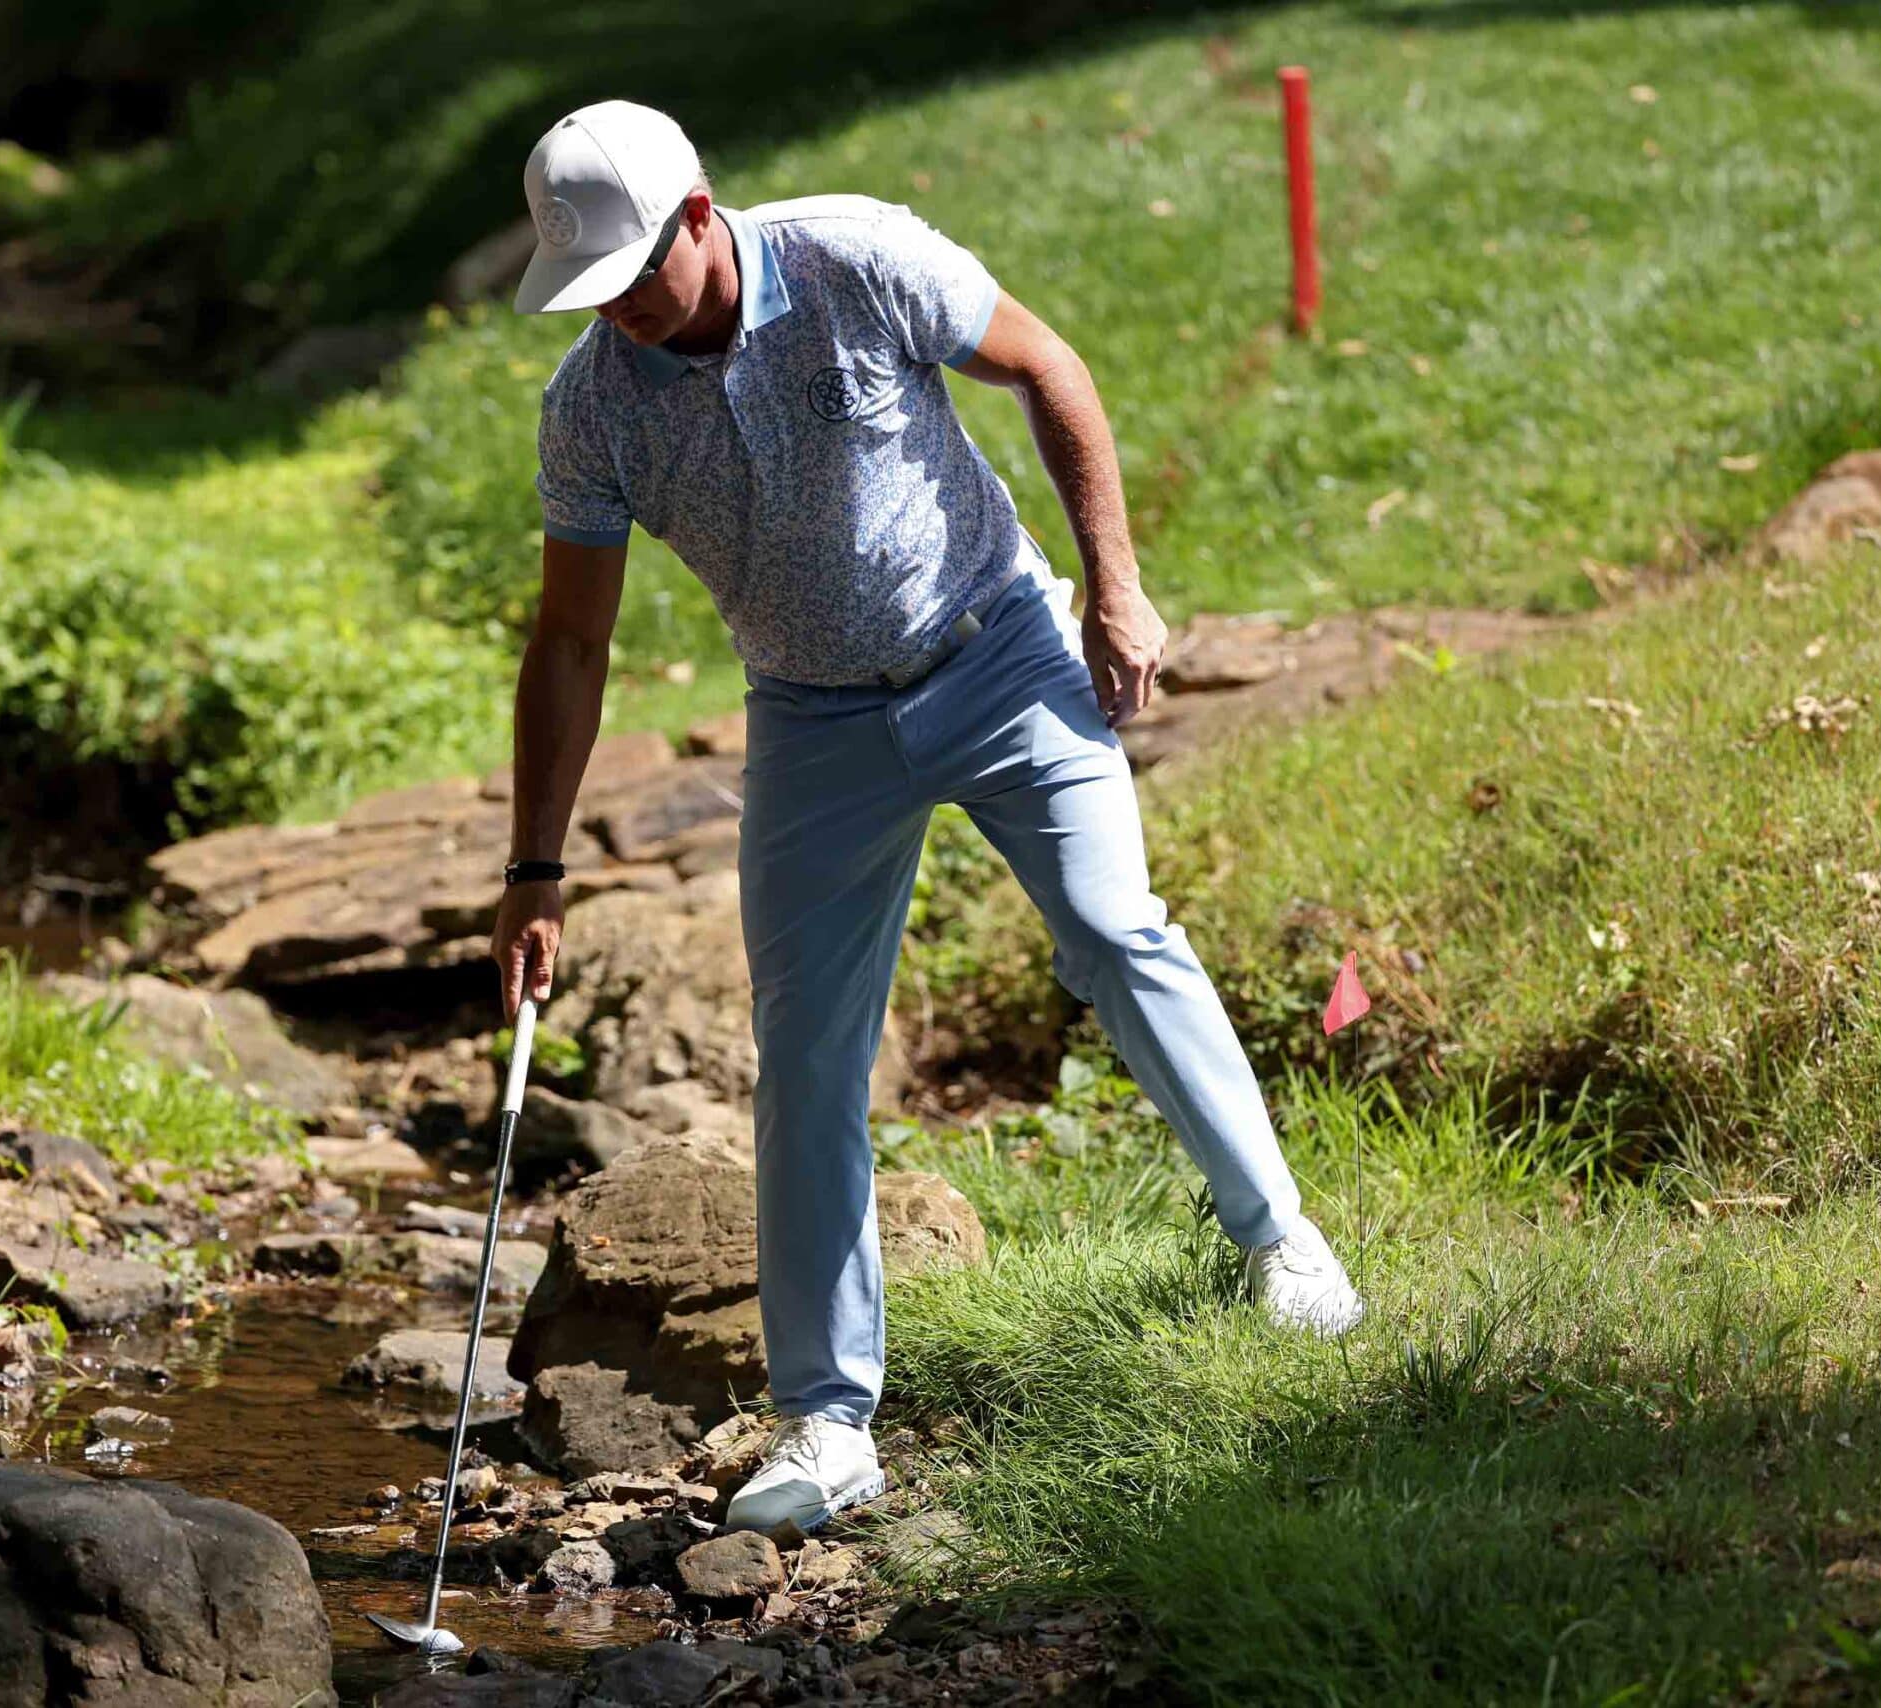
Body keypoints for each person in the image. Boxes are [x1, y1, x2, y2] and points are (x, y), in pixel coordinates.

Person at [488, 99, 1362, 1536]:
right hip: (813, 721)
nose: (624, 316)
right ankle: (829, 1423)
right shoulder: (592, 407)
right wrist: (535, 866)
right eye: (593, 293)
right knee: (809, 1052)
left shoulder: (856, 259)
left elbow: (1048, 368)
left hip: (999, 648)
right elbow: (570, 643)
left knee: (1111, 927)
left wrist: (1116, 584)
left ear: (701, 214)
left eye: (639, 275)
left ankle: (1282, 1243)